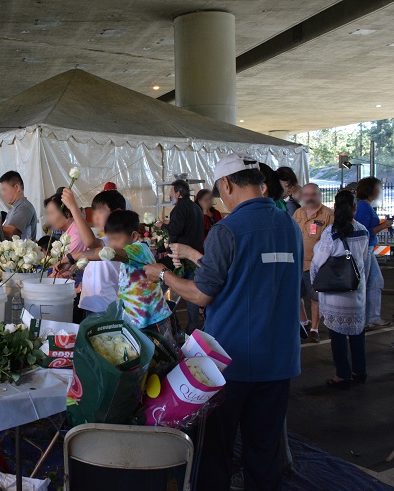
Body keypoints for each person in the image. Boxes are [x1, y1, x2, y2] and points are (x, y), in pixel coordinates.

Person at [145, 154, 303, 491]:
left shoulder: (227, 228)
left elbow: (202, 295)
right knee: (264, 452)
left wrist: (164, 275)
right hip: (279, 360)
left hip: (228, 364)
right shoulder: (289, 224)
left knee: (215, 452)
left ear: (227, 184)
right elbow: (250, 275)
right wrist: (191, 255)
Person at [56, 209, 174, 345]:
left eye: (116, 239)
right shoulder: (128, 255)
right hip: (138, 320)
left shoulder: (138, 249)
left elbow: (106, 253)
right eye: (110, 240)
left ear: (134, 236)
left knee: (163, 356)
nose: (112, 244)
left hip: (153, 320)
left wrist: (71, 258)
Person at [311, 190, 369, 390]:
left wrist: (314, 280)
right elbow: (363, 259)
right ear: (354, 208)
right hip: (356, 289)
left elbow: (318, 261)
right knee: (357, 333)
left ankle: (342, 375)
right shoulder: (362, 231)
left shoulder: (331, 233)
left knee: (337, 335)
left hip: (336, 293)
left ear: (335, 207)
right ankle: (359, 372)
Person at [61, 188, 126, 315]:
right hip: (91, 305)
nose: (95, 216)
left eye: (101, 211)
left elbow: (90, 243)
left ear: (116, 213)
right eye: (94, 211)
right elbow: (94, 256)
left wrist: (74, 208)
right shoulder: (104, 240)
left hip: (106, 308)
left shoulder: (117, 242)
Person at [155, 179, 204, 334]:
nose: (170, 194)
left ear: (178, 193)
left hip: (179, 258)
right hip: (195, 256)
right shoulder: (196, 208)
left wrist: (163, 227)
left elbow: (175, 230)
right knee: (192, 294)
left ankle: (171, 326)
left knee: (167, 290)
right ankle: (193, 327)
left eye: (171, 191)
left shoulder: (179, 209)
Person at [293, 184, 334, 342]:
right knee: (297, 295)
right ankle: (304, 323)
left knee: (316, 298)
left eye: (313, 194)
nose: (310, 197)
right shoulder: (298, 213)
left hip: (316, 266)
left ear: (319, 195)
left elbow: (332, 241)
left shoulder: (328, 215)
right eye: (307, 194)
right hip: (297, 263)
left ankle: (314, 329)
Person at [354, 177, 393, 328]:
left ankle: (373, 317)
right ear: (372, 191)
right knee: (364, 284)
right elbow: (364, 232)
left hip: (369, 249)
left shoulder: (365, 206)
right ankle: (363, 319)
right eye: (379, 188)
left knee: (376, 282)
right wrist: (383, 226)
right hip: (366, 249)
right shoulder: (364, 207)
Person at [43, 193, 87, 278]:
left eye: (52, 213)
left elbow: (63, 269)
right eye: (48, 214)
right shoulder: (66, 232)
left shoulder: (76, 234)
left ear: (67, 212)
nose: (49, 219)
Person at [0, 171, 38, 240]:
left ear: (17, 187)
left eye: (4, 189)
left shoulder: (24, 207)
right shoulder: (16, 207)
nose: (3, 194)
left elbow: (11, 232)